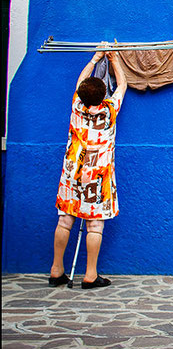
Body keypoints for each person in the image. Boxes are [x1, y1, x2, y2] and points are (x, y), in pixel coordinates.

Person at [49, 44, 128, 289]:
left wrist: (95, 58)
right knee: (95, 224)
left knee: (64, 220)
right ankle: (90, 275)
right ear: (103, 95)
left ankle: (56, 270)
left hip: (72, 171)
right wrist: (114, 60)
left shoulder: (76, 106)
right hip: (98, 174)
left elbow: (81, 81)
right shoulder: (108, 111)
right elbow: (123, 85)